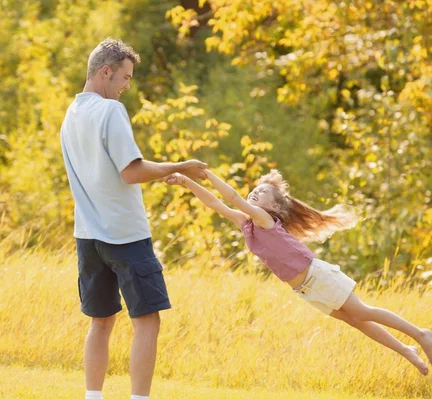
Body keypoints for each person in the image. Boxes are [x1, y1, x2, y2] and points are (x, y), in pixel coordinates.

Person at [164, 169, 432, 375]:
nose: (255, 192)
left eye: (263, 191)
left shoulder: (264, 219)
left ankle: (421, 334)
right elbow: (215, 203)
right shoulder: (245, 222)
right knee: (356, 321)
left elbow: (231, 197)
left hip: (318, 276)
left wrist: (206, 173)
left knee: (362, 312)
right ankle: (406, 350)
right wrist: (187, 182)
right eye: (254, 189)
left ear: (276, 207)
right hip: (305, 289)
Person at [60, 38, 209, 399]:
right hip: (124, 235)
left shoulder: (71, 114)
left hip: (88, 237)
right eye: (124, 77)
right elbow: (132, 171)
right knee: (147, 320)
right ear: (105, 71)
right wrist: (180, 166)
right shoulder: (110, 111)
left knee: (101, 321)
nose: (127, 86)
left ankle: (92, 396)